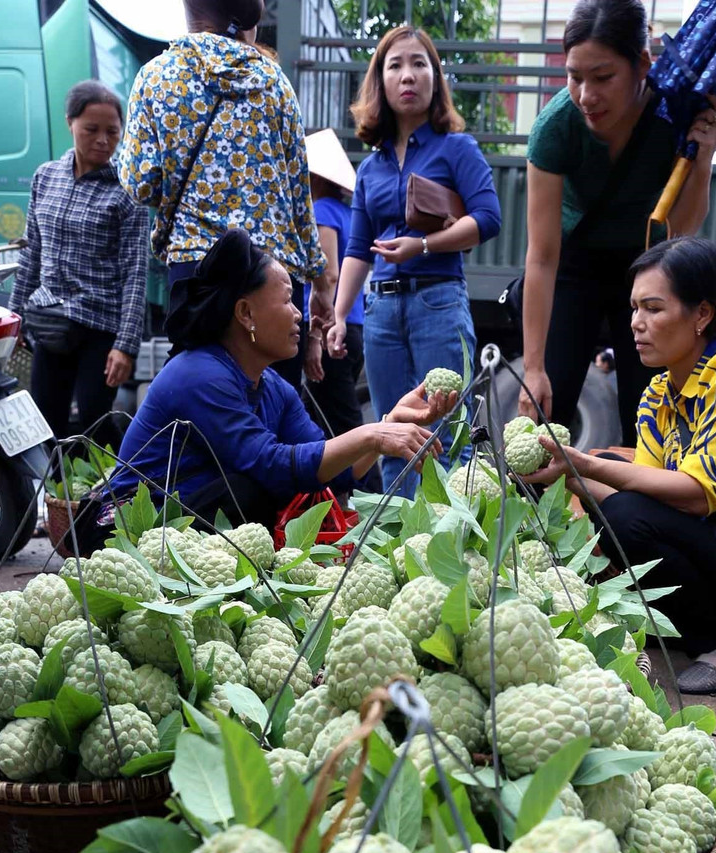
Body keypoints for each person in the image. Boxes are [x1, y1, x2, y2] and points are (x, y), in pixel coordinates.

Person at [519, 237, 716, 695]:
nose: (635, 324)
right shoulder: (658, 394)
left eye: (653, 308)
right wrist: (569, 474)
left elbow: (698, 494)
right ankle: (703, 624)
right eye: (633, 308)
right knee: (610, 484)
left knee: (618, 503)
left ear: (702, 314)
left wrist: (586, 466)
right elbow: (640, 491)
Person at [109, 229, 452, 529]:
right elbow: (273, 466)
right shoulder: (199, 375)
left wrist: (388, 424)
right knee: (251, 491)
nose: (299, 314)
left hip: (189, 520)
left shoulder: (274, 388)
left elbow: (329, 471)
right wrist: (371, 435)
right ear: (246, 314)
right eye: (288, 299)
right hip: (131, 525)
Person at [520, 0, 716, 444]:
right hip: (573, 264)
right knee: (545, 409)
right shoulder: (555, 128)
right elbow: (541, 257)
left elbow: (681, 234)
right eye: (574, 77)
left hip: (646, 264)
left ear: (643, 65)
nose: (586, 96)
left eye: (603, 77)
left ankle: (635, 513)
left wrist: (702, 157)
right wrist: (533, 368)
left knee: (647, 411)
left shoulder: (673, 114)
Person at [117, 0, 328, 391]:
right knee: (273, 419)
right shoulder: (273, 81)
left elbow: (140, 183)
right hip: (275, 276)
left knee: (204, 419)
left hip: (199, 273)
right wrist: (322, 284)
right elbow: (301, 198)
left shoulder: (156, 77)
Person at [327, 25, 501, 498]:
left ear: (435, 77)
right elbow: (357, 249)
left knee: (450, 436)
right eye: (395, 65)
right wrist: (341, 315)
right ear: (380, 81)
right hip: (381, 313)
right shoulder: (371, 167)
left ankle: (452, 552)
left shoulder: (456, 148)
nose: (408, 75)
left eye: (419, 64)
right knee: (392, 435)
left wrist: (422, 246)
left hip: (438, 303)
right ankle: (397, 553)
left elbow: (487, 219)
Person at [10, 81, 149, 442]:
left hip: (100, 328)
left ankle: (116, 494)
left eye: (112, 132)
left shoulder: (127, 191)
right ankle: (55, 498)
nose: (103, 140)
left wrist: (126, 345)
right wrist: (15, 317)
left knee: (94, 422)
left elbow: (136, 272)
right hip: (50, 321)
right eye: (92, 130)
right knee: (44, 424)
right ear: (70, 122)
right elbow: (31, 252)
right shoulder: (46, 177)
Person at [303, 130, 372, 474]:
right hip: (354, 327)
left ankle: (371, 496)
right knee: (324, 420)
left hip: (329, 329)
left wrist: (317, 334)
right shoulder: (347, 213)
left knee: (342, 425)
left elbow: (328, 273)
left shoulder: (323, 211)